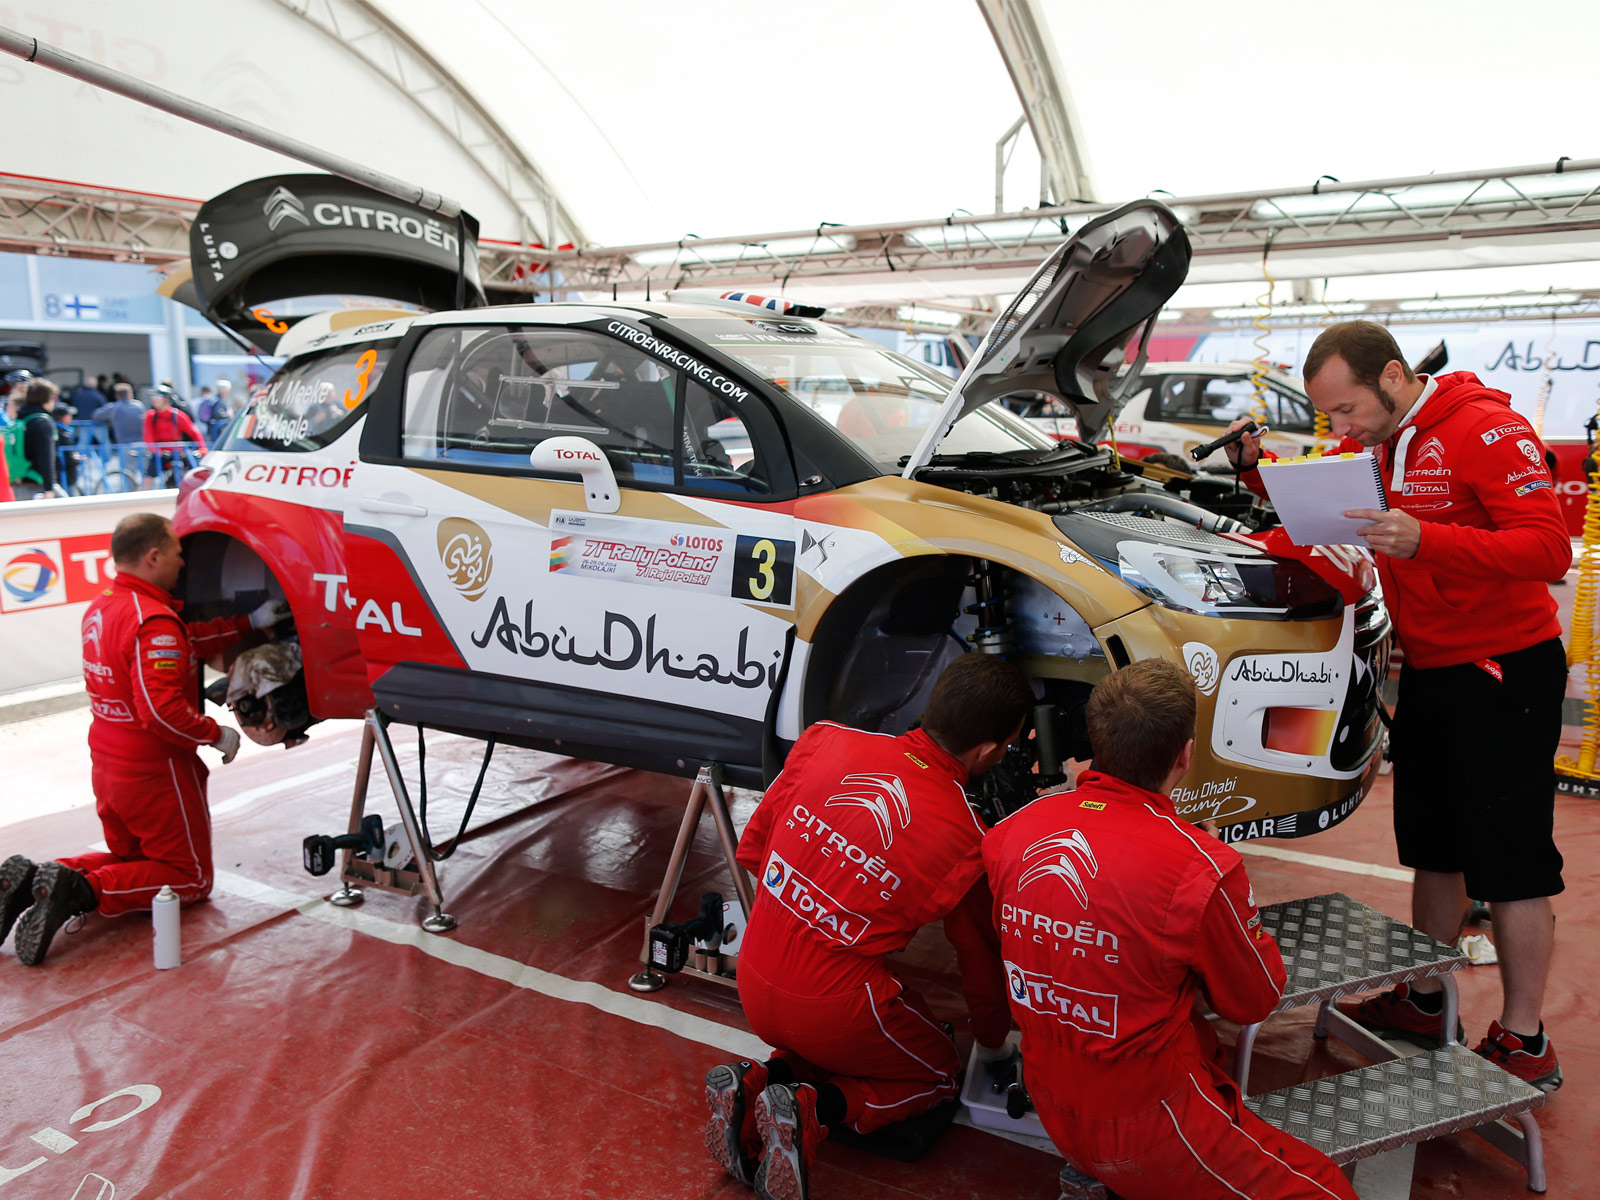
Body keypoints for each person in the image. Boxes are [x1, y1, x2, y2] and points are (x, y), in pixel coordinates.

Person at [1227, 321, 1569, 1090]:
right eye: (1330, 417)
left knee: (1512, 862)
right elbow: (1339, 515)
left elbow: (1549, 549)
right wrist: (1258, 479)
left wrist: (1427, 541)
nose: (1343, 429)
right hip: (1435, 671)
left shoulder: (1484, 429)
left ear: (1390, 376)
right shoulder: (1389, 442)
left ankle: (1526, 1038)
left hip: (1504, 670)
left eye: (1347, 410)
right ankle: (1423, 997)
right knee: (1434, 847)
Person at [984, 659, 1356, 1200]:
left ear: (1096, 742)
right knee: (1328, 1191)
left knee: (1196, 1041)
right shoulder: (1200, 867)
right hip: (1151, 1127)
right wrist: (1218, 881)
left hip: (1050, 1102)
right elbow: (1253, 999)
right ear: (1185, 754)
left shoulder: (1010, 833)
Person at [703, 654, 1026, 1200]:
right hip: (835, 1008)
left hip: (753, 977)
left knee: (839, 1036)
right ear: (988, 751)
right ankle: (814, 1111)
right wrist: (994, 1045)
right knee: (937, 1072)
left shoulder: (825, 740)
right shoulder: (970, 840)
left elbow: (755, 850)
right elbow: (980, 963)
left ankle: (759, 1080)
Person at [0, 514, 289, 966]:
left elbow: (184, 641)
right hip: (155, 771)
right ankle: (80, 888)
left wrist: (249, 620)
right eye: (176, 553)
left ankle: (36, 879)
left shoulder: (104, 606)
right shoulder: (153, 621)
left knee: (131, 857)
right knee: (188, 878)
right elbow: (160, 710)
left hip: (108, 763)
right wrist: (216, 734)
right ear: (153, 557)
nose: (182, 562)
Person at [140, 385, 206, 490]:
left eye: (157, 397)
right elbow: (148, 436)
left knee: (193, 469)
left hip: (176, 452)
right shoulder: (151, 416)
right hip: (160, 453)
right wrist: (157, 451)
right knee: (148, 477)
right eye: (153, 397)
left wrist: (202, 448)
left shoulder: (177, 415)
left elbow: (194, 432)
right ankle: (142, 494)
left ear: (166, 399)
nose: (154, 400)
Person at [9, 377, 62, 499]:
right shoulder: (43, 422)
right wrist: (49, 488)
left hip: (17, 483)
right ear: (48, 398)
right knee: (71, 509)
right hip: (37, 486)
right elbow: (46, 456)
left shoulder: (20, 419)